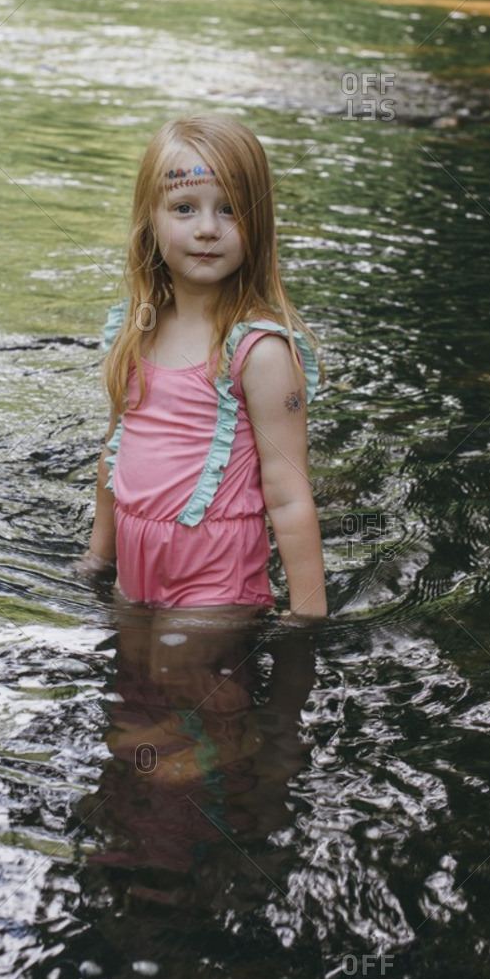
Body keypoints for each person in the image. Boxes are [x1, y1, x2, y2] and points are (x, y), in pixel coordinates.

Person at [76, 114, 327, 620]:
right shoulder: (136, 330)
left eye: (231, 210)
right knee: (135, 696)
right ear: (151, 220)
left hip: (217, 589)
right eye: (184, 208)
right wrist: (98, 560)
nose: (209, 229)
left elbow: (289, 496)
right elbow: (113, 455)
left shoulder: (259, 353)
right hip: (137, 576)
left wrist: (307, 621)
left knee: (195, 692)